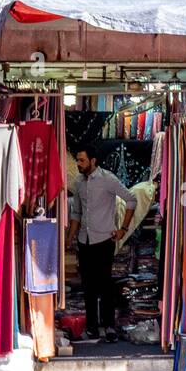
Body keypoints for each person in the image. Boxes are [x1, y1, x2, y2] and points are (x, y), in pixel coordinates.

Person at [67, 146, 138, 342]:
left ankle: (109, 326)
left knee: (105, 285)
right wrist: (70, 238)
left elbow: (131, 200)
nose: (79, 165)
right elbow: (76, 214)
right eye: (78, 161)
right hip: (84, 241)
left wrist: (123, 229)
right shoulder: (79, 183)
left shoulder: (108, 179)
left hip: (103, 240)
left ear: (93, 160)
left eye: (82, 161)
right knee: (88, 287)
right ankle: (92, 327)